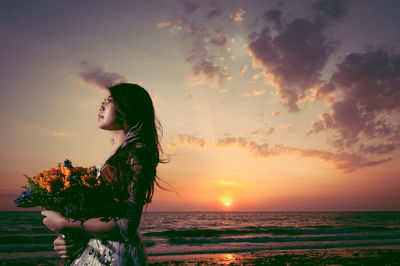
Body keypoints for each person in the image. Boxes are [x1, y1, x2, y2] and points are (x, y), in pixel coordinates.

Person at [41, 83, 169, 265]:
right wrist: (70, 239)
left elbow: (126, 226)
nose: (101, 105)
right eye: (103, 100)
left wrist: (65, 223)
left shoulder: (137, 154)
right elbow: (102, 213)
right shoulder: (119, 155)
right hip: (100, 251)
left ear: (128, 107)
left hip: (114, 257)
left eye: (110, 100)